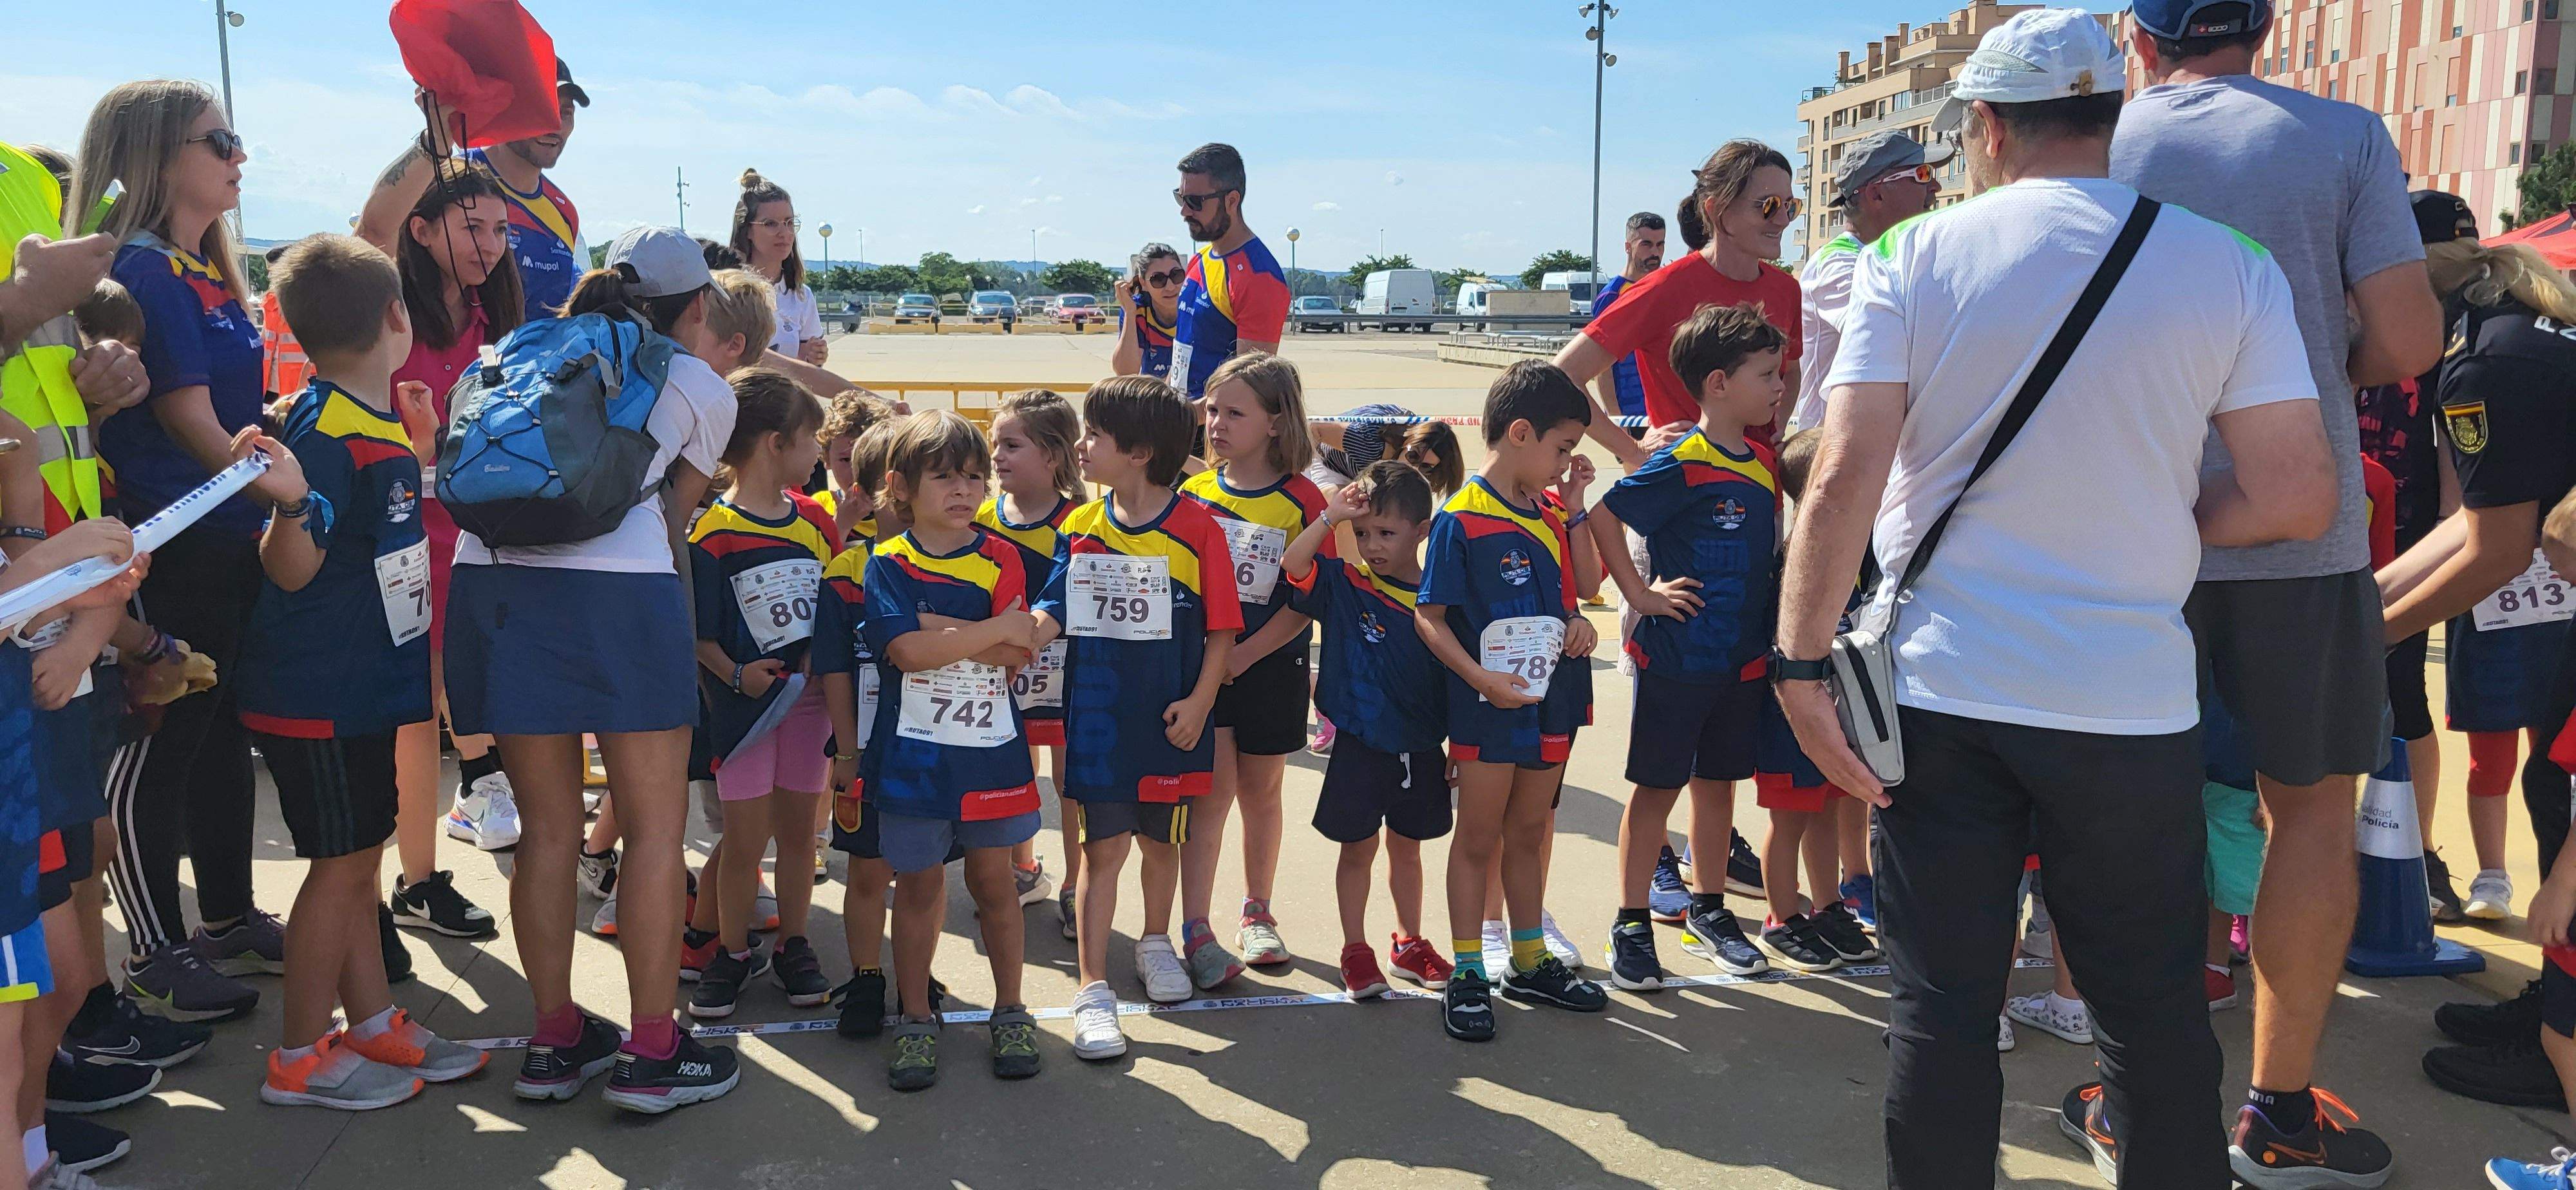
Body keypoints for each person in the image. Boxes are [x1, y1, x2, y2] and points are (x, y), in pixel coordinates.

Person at [1772, 9, 2334, 1184]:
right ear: (2113, 116)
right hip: (2130, 702)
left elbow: (1846, 469)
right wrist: (2156, 525)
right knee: (2153, 1020)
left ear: (1986, 126)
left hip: (1944, 693)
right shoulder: (2231, 262)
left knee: (1942, 1018)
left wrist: (1800, 662)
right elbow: (2297, 495)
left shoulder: (1911, 253)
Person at [2114, 1, 2444, 1180]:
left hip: (2129, 522)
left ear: (2135, 37)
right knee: (2307, 810)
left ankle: (2132, 1097)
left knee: (2122, 809)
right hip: (2299, 527)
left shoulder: (2098, 135)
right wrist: (2314, 361)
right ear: (2262, 27)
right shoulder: (2343, 135)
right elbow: (2408, 340)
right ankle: (2278, 1111)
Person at [443, 226, 739, 1112]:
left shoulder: (510, 355)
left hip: (492, 587)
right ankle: (653, 1049)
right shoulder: (698, 382)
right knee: (652, 831)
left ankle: (553, 1041)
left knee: (544, 833)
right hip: (622, 597)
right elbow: (672, 518)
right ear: (696, 306)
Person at [240, 234, 486, 1111]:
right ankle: (299, 1056)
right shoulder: (325, 430)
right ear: (397, 317)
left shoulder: (369, 420)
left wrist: (419, 451)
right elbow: (292, 567)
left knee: (357, 862)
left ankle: (372, 1020)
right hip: (321, 693)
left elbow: (376, 528)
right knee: (340, 868)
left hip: (365, 687)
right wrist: (291, 504)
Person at [76, 79, 285, 1024]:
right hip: (168, 541)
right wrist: (287, 491)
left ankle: (230, 917)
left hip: (226, 535)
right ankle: (155, 952)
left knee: (220, 734)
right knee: (160, 746)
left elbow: (233, 416)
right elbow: (195, 424)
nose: (240, 157)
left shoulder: (206, 272)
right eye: (220, 141)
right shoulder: (147, 271)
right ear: (158, 155)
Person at [2389, 221, 2576, 1115]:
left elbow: (2496, 550)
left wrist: (2371, 636)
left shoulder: (2480, 368)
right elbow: (2473, 525)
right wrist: (2371, 607)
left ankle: (2562, 1045)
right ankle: (2556, 1010)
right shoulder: (2510, 329)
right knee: (2548, 786)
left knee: (2561, 799)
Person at [1030, 375, 1238, 1059]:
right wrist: (1005, 638)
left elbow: (1221, 630)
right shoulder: (1079, 527)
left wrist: (1200, 702)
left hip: (1171, 722)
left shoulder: (1199, 529)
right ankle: (1093, 988)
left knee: (1160, 843)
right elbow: (1051, 610)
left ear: (1141, 452)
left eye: (1094, 436)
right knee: (1102, 851)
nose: (1081, 447)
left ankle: (1155, 942)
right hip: (1096, 722)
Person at [1587, 302, 1785, 990]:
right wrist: (1639, 595)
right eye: (1767, 374)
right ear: (1719, 384)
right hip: (1677, 659)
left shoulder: (1763, 463)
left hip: (1740, 659)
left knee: (1718, 786)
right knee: (1656, 789)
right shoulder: (1682, 461)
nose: (1779, 386)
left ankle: (1709, 909)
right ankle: (1630, 921)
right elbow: (1603, 516)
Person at [1417, 360, 1607, 1042]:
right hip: (1489, 703)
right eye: (1562, 449)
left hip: (1551, 698)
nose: (1565, 464)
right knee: (1478, 837)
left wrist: (1578, 623)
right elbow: (1430, 617)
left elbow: (1586, 587)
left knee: (1528, 833)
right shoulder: (1460, 520)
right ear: (1520, 433)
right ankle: (1469, 970)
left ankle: (1529, 960)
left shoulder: (1553, 512)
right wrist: (1479, 679)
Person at [364, 160, 522, 958]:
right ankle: (386, 888)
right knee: (405, 719)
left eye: (500, 229)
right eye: (471, 225)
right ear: (419, 230)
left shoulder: (500, 321)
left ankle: (417, 881)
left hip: (478, 543)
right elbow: (369, 229)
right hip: (399, 544)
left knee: (439, 713)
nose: (489, 244)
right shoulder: (388, 312)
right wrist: (428, 134)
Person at [862, 411, 1045, 1091]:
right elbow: (906, 654)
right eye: (944, 477)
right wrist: (989, 627)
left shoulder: (1001, 556)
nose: (964, 489)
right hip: (913, 762)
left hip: (989, 755)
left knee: (995, 884)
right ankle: (914, 1017)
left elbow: (1015, 652)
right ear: (900, 486)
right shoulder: (887, 562)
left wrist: (938, 628)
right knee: (918, 887)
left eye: (974, 475)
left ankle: (1011, 1010)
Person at [682, 370, 835, 1021]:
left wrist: (824, 653)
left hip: (809, 708)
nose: (818, 453)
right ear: (777, 443)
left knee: (800, 833)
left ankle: (795, 942)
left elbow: (836, 599)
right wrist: (734, 672)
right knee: (744, 840)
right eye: (812, 439)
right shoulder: (712, 532)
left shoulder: (816, 522)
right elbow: (697, 632)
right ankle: (733, 951)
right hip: (744, 716)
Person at [1281, 460, 1457, 997]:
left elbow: (1457, 678)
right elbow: (1294, 563)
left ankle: (1409, 943)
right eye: (1362, 534)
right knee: (1357, 850)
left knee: (1409, 850)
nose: (1372, 545)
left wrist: (1459, 745)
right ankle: (1355, 950)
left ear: (1421, 532)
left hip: (1422, 746)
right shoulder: (1346, 582)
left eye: (1385, 533)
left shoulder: (1441, 600)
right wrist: (1330, 517)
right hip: (1359, 745)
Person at [1179, 354, 1325, 983]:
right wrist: (1213, 664)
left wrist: (1242, 656)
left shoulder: (1304, 500)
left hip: (1270, 668)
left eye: (1234, 412)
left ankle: (1257, 912)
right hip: (1204, 675)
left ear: (1275, 421)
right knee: (1209, 796)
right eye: (1212, 410)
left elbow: (1305, 601)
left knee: (1262, 794)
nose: (1216, 423)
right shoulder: (1193, 494)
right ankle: (1195, 925)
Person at [1552, 140, 1803, 469]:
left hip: (1760, 486)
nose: (1783, 220)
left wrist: (1778, 426)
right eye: (1769, 206)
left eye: (1791, 206)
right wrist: (1633, 450)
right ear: (1717, 210)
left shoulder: (1787, 290)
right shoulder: (1663, 289)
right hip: (1682, 486)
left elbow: (1792, 370)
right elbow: (1564, 373)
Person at [359, 61, 591, 324]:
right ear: (504, 108)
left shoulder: (564, 212)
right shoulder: (444, 180)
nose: (555, 125)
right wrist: (434, 141)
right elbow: (371, 242)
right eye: (541, 109)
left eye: (566, 112)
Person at [819, 415, 911, 1039]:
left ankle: (915, 974)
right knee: (868, 871)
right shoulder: (847, 571)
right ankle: (867, 976)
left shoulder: (962, 563)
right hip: (865, 754)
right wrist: (846, 752)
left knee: (922, 874)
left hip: (932, 752)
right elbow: (833, 670)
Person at [975, 390, 1081, 934]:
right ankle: (1024, 869)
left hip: (1066, 676)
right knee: (1014, 771)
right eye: (995, 444)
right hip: (998, 675)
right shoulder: (981, 518)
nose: (997, 456)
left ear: (1054, 454)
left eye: (1012, 445)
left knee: (1069, 781)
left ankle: (1077, 886)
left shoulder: (1079, 522)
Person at [1793, 129, 1949, 434]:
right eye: (1921, 175)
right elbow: (1894, 334)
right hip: (1828, 445)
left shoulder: (1887, 258)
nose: (1935, 187)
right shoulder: (1836, 263)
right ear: (1876, 195)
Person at [1170, 145, 1289, 399]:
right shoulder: (1200, 260)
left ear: (1231, 201)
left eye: (1194, 202)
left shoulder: (1259, 278)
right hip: (1181, 416)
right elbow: (1182, 353)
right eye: (1181, 198)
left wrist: (1184, 414)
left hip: (1213, 421)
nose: (1184, 211)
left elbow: (1249, 389)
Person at [729, 170, 828, 366]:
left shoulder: (802, 297)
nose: (784, 233)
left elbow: (807, 368)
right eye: (771, 224)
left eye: (789, 223)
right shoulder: (727, 293)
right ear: (747, 230)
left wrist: (814, 357)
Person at [1582, 212, 1667, 427]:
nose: (1655, 253)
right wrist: (1616, 418)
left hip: (1663, 412)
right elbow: (1602, 368)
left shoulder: (1663, 290)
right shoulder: (1612, 296)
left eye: (1660, 245)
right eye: (1646, 244)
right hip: (1631, 414)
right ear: (1628, 247)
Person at [1110, 243, 1182, 382]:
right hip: (1154, 393)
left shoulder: (1194, 306)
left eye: (1176, 275)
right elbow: (1126, 372)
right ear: (1143, 283)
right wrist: (1130, 313)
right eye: (1158, 279)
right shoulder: (1137, 310)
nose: (1170, 287)